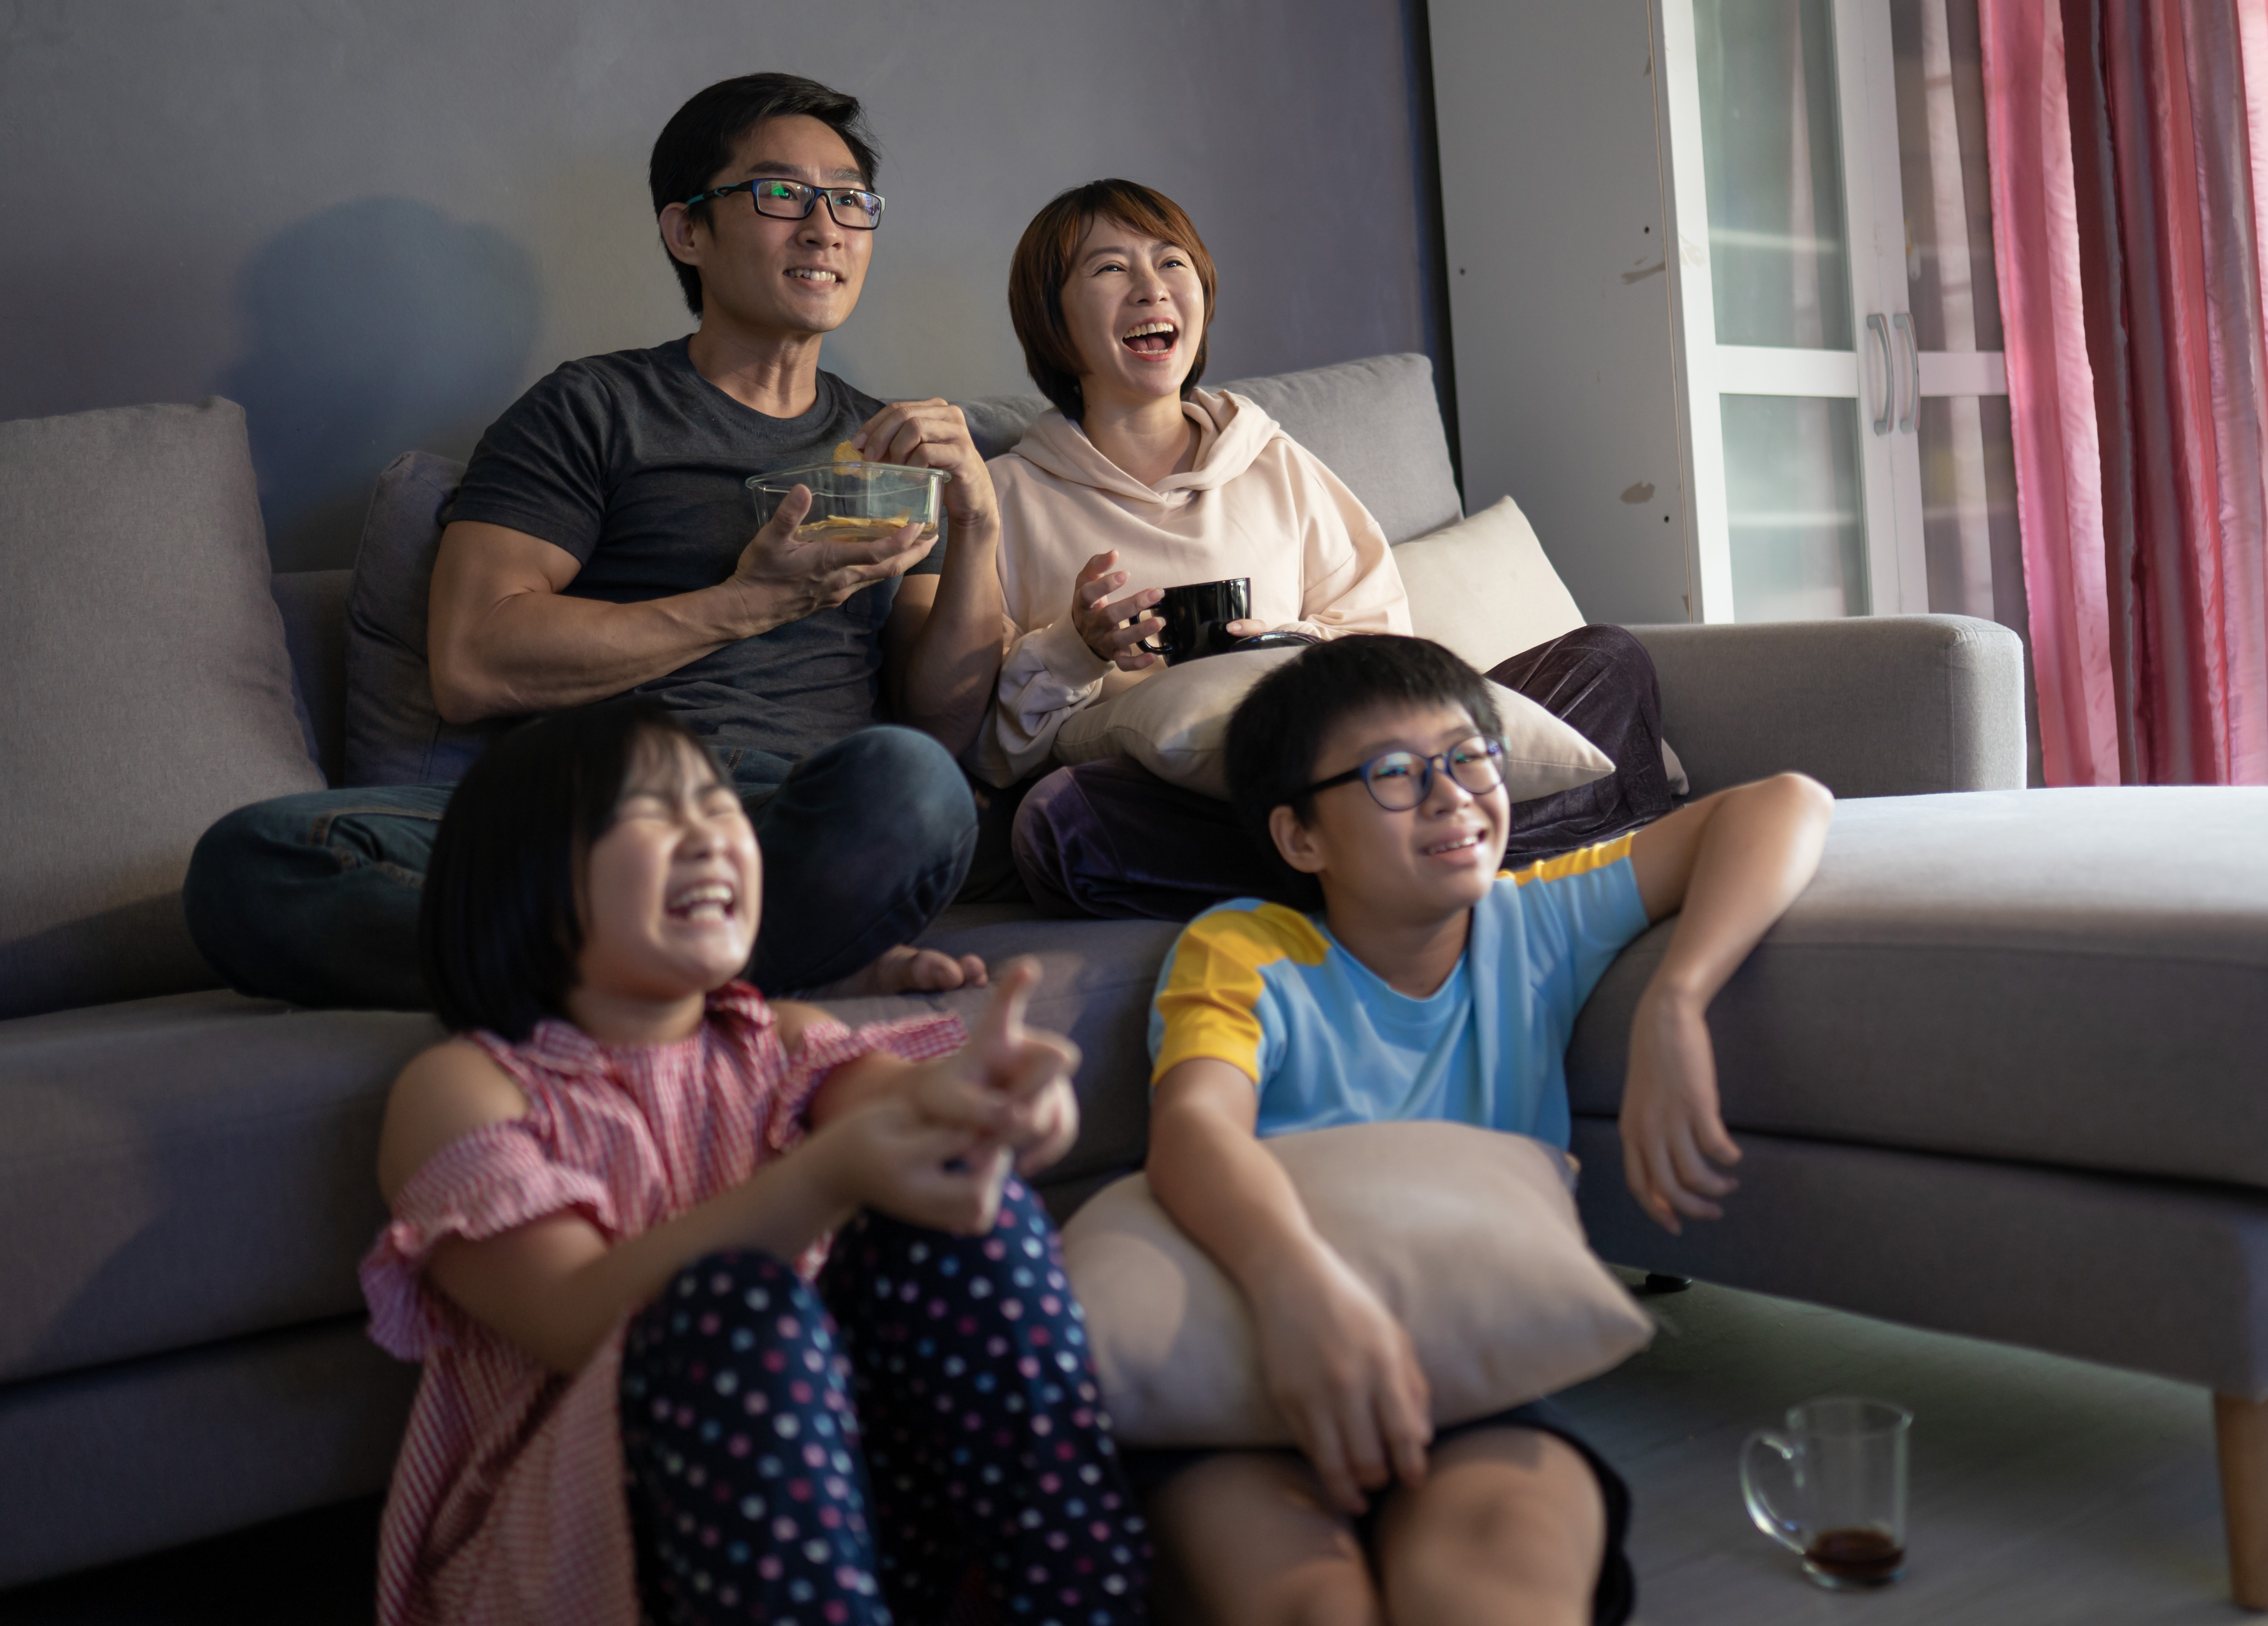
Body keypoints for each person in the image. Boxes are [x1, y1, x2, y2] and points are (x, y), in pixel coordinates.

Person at [186, 73, 1007, 1008]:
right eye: (782, 193)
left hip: (792, 810)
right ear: (686, 230)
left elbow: (940, 721)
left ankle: (620, 975)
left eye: (849, 201)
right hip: (587, 813)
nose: (824, 227)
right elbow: (474, 660)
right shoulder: (591, 410)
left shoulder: (891, 446)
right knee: (254, 863)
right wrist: (748, 602)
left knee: (916, 788)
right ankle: (762, 966)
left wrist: (975, 520)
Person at [360, 698, 1146, 1626]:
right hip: (595, 1549)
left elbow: (916, 1116)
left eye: (719, 804)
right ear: (524, 879)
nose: (710, 833)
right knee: (736, 1308)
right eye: (652, 811)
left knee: (977, 1225)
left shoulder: (784, 1040)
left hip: (842, 1525)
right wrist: (821, 1177)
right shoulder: (466, 1087)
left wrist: (1004, 1110)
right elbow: (574, 1317)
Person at [1134, 635, 1832, 1626]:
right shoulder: (1245, 950)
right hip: (1251, 1376)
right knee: (1311, 1606)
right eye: (1392, 775)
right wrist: (1300, 1287)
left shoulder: (1534, 924)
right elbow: (1195, 1131)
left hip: (1468, 1397)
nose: (1452, 795)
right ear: (1301, 838)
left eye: (1469, 758)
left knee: (1495, 1594)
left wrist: (1675, 1000)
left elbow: (1786, 802)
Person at [979, 179, 1683, 920]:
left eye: (1171, 262)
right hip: (1224, 809)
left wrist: (1298, 643)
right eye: (1110, 269)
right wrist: (1077, 649)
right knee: (1061, 824)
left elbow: (1385, 642)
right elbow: (994, 753)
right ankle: (1474, 858)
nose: (1150, 288)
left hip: (1368, 774)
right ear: (1051, 318)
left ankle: (1380, 867)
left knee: (1607, 658)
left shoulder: (1272, 460)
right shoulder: (1008, 497)